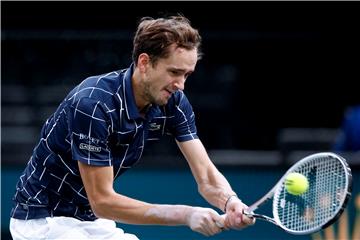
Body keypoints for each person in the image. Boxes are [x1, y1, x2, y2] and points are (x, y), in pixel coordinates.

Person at [10, 15, 254, 239]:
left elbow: (207, 177)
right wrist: (186, 214)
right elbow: (103, 201)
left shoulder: (173, 101)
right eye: (174, 72)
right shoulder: (93, 104)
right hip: (42, 220)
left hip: (88, 220)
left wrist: (229, 200)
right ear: (145, 62)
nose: (181, 85)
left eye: (187, 75)